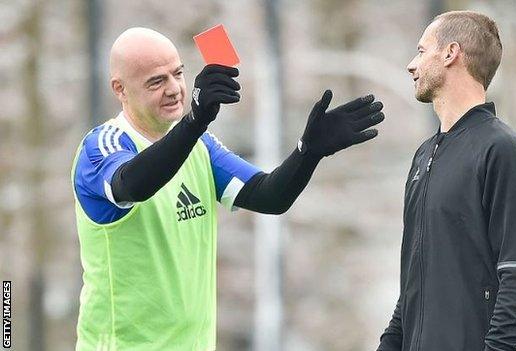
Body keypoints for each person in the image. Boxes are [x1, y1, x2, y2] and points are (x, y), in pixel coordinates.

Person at [71, 27, 384, 350]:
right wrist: (194, 123)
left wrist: (308, 151)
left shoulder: (199, 146)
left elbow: (269, 195)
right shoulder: (102, 146)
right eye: (156, 81)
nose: (175, 89)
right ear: (120, 89)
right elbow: (133, 185)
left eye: (177, 74)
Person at [377, 11, 516, 351]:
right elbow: (413, 284)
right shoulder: (423, 157)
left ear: (451, 53)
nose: (411, 64)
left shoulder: (503, 150)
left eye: (422, 51)